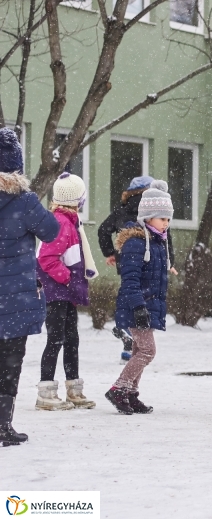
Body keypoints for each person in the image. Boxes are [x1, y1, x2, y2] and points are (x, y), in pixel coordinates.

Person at [0, 127, 60, 446]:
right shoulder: (24, 201)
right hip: (15, 300)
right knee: (10, 361)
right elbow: (51, 231)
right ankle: (2, 424)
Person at [104, 181, 173, 415]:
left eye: (168, 219)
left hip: (146, 305)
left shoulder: (156, 243)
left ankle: (131, 393)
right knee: (147, 351)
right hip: (137, 306)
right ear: (147, 217)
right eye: (162, 218)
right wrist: (139, 307)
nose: (166, 223)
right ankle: (119, 388)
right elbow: (130, 280)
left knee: (138, 350)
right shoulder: (136, 243)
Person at [35, 173, 98, 411]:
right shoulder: (61, 223)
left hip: (66, 292)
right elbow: (46, 258)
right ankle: (46, 391)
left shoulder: (71, 222)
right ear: (77, 199)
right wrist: (69, 279)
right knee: (56, 340)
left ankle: (74, 389)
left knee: (72, 339)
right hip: (57, 292)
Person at [98, 176, 177, 363]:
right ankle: (130, 331)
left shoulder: (122, 210)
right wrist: (169, 262)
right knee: (144, 296)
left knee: (129, 288)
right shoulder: (156, 207)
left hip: (127, 256)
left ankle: (127, 336)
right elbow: (167, 239)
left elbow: (103, 230)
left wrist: (110, 252)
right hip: (152, 259)